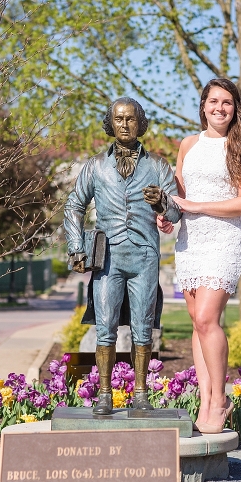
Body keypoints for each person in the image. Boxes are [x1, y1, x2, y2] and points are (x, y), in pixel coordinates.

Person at [63, 97, 182, 415]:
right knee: (105, 327)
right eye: (119, 119)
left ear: (140, 124)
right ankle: (104, 393)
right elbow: (74, 204)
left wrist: (161, 202)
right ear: (110, 124)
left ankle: (141, 394)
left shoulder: (157, 166)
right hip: (108, 258)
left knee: (143, 329)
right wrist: (76, 246)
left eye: (131, 119)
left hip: (144, 257)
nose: (125, 124)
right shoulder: (95, 166)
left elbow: (176, 210)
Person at [158, 78, 241, 434]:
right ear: (203, 105)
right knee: (196, 322)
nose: (220, 108)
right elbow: (178, 194)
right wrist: (168, 216)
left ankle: (220, 399)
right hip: (190, 243)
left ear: (235, 109)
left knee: (206, 318)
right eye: (214, 101)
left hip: (223, 241)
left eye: (228, 103)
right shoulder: (188, 144)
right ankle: (206, 398)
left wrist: (195, 206)